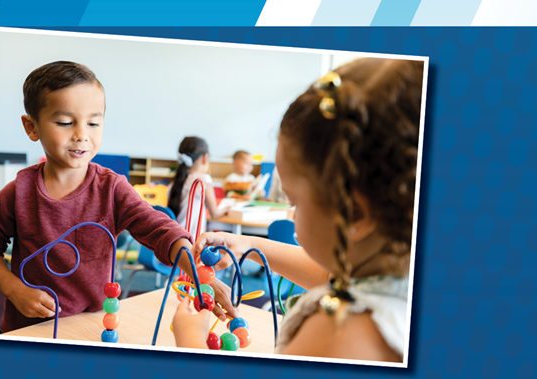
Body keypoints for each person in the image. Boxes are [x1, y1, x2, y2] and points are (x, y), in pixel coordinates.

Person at [171, 58, 423, 363]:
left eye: (295, 203)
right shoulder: (394, 276)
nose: (292, 215)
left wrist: (190, 341)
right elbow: (330, 275)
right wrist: (249, 243)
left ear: (354, 214)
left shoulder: (339, 333)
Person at [0, 61, 237, 334]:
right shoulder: (18, 193)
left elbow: (159, 229)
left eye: (93, 123)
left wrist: (197, 272)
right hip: (28, 328)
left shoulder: (112, 188)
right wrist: (15, 290)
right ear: (32, 127)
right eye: (64, 122)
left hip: (93, 325)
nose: (81, 135)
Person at [167, 136, 229, 235]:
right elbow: (215, 214)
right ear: (205, 158)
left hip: (174, 240)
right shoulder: (203, 180)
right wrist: (228, 209)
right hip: (193, 243)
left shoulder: (174, 183)